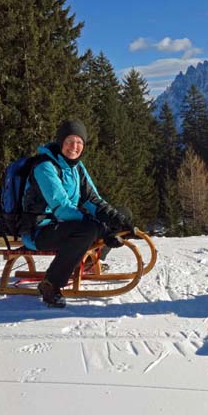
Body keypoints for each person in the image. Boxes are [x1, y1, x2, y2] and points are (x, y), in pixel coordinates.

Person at [20, 119, 133, 307]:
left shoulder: (77, 168)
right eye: (70, 141)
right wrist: (103, 230)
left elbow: (93, 201)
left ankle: (89, 261)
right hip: (39, 230)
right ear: (60, 142)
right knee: (89, 229)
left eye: (79, 142)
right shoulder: (45, 167)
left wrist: (118, 221)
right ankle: (51, 284)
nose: (75, 146)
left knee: (121, 214)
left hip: (63, 225)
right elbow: (61, 208)